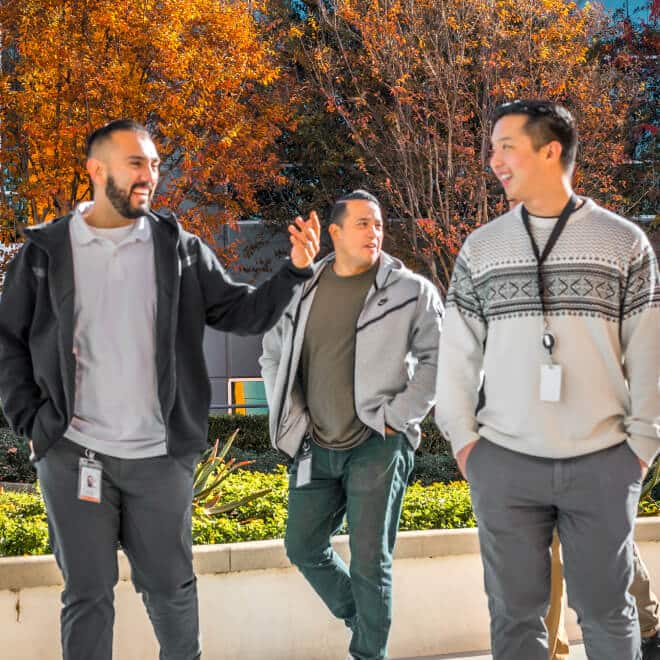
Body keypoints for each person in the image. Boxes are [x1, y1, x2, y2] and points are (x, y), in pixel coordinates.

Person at [0, 119, 320, 660]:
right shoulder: (45, 252)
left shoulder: (178, 248)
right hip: (74, 454)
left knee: (171, 590)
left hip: (160, 457)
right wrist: (34, 424)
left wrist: (294, 272)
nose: (150, 175)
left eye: (152, 164)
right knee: (87, 594)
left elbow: (238, 312)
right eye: (135, 164)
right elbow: (8, 343)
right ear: (97, 170)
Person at [435, 100, 659, 659]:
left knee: (608, 614)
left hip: (604, 460)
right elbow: (457, 356)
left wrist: (641, 445)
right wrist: (466, 444)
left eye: (505, 146)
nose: (493, 160)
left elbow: (651, 352)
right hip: (505, 462)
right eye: (492, 149)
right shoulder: (481, 248)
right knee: (514, 620)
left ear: (550, 150)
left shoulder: (623, 242)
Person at [260, 189, 442, 660]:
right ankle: (364, 620)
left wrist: (399, 419)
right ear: (335, 233)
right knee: (302, 545)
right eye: (362, 223)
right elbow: (272, 352)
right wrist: (288, 416)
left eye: (378, 224)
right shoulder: (302, 289)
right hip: (315, 443)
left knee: (369, 561)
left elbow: (439, 359)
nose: (374, 232)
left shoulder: (410, 291)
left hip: (377, 444)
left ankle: (367, 653)